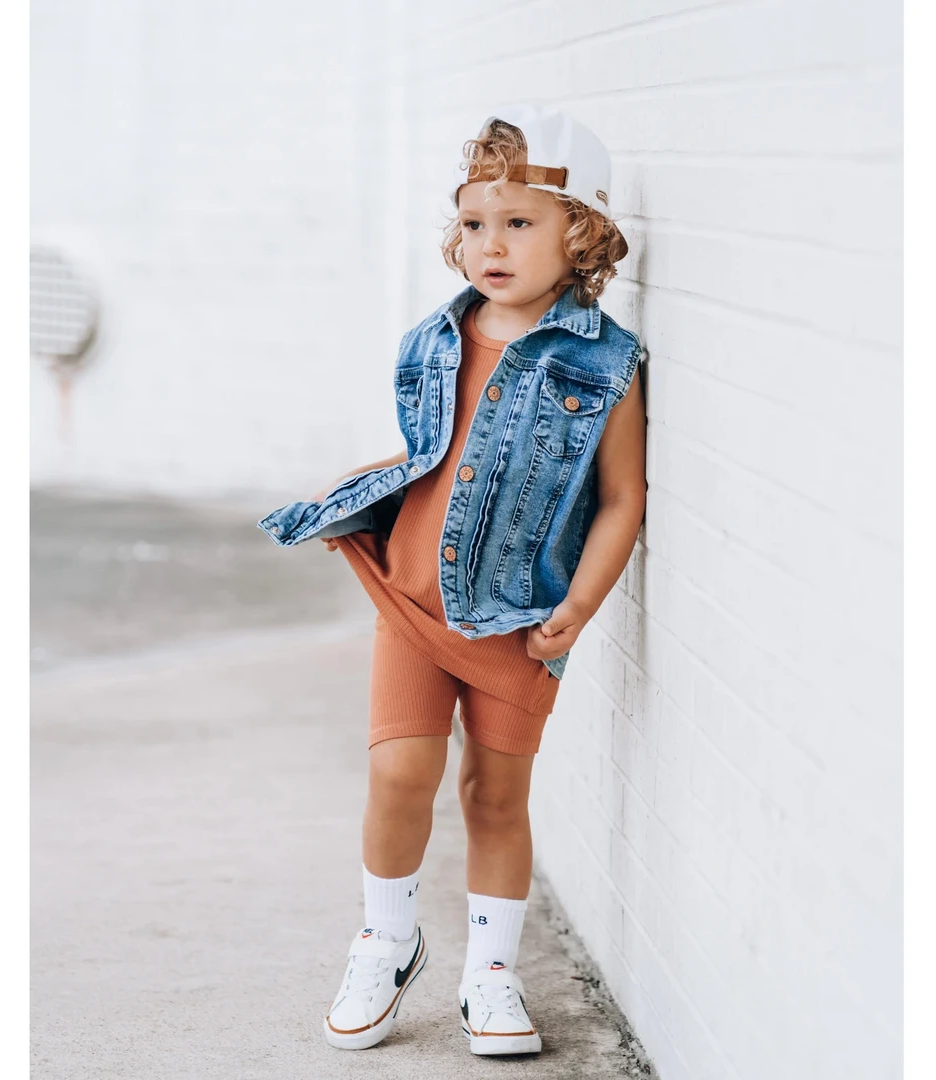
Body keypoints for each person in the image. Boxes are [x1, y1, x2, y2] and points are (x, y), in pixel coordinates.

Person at [263, 104, 646, 1056]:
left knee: (493, 796)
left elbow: (622, 499)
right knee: (400, 773)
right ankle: (385, 940)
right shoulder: (433, 339)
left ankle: (491, 973)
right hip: (413, 597)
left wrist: (581, 606)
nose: (491, 245)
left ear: (581, 233)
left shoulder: (607, 363)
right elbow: (436, 459)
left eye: (519, 222)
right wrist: (362, 497)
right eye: (475, 222)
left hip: (520, 616)